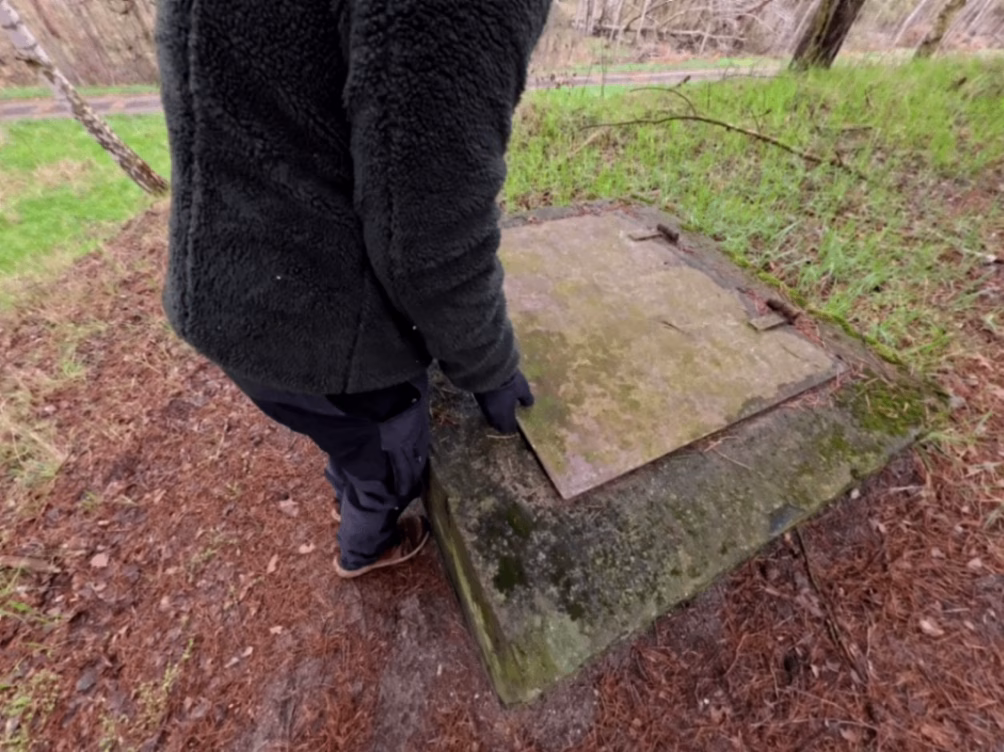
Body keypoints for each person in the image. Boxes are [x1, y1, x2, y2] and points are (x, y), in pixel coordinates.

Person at [155, 0, 550, 577]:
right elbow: (428, 237)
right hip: (324, 323)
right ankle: (367, 547)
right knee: (387, 462)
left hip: (223, 281)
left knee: (345, 437)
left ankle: (349, 481)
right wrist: (489, 367)